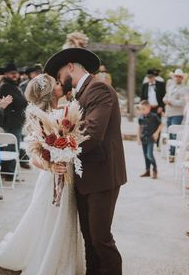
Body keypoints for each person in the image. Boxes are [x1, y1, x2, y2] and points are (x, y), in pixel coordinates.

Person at [0, 74, 85, 275]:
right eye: (58, 84)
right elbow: (34, 157)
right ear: (50, 92)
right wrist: (52, 167)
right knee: (49, 219)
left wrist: (68, 152)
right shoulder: (38, 117)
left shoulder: (66, 111)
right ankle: (48, 261)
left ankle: (64, 259)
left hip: (67, 175)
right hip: (51, 177)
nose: (62, 85)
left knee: (66, 217)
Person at [44, 47, 127, 275]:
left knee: (101, 238)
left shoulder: (98, 88)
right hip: (85, 175)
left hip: (102, 174)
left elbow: (92, 132)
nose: (60, 80)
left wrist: (58, 152)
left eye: (59, 74)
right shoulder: (80, 94)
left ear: (71, 66)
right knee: (89, 237)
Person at [0, 63, 29, 176]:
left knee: (14, 145)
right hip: (11, 121)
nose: (15, 75)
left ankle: (9, 171)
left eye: (16, 73)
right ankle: (9, 172)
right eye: (12, 73)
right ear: (6, 74)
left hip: (16, 120)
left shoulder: (13, 85)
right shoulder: (6, 86)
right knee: (12, 146)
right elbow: (16, 102)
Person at [163, 68, 189, 162]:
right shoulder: (170, 87)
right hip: (169, 113)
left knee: (174, 134)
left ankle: (173, 154)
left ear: (182, 78)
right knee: (170, 132)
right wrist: (165, 100)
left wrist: (170, 101)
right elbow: (166, 96)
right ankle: (171, 152)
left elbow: (182, 103)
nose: (177, 78)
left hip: (177, 114)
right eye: (176, 76)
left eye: (179, 76)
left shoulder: (184, 89)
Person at [137, 100, 162, 179]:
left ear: (149, 108)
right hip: (143, 138)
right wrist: (138, 137)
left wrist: (156, 133)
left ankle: (155, 169)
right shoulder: (140, 117)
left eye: (143, 109)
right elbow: (139, 127)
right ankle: (147, 171)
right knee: (145, 155)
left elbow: (161, 124)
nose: (142, 111)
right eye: (141, 109)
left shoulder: (154, 116)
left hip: (151, 138)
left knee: (149, 155)